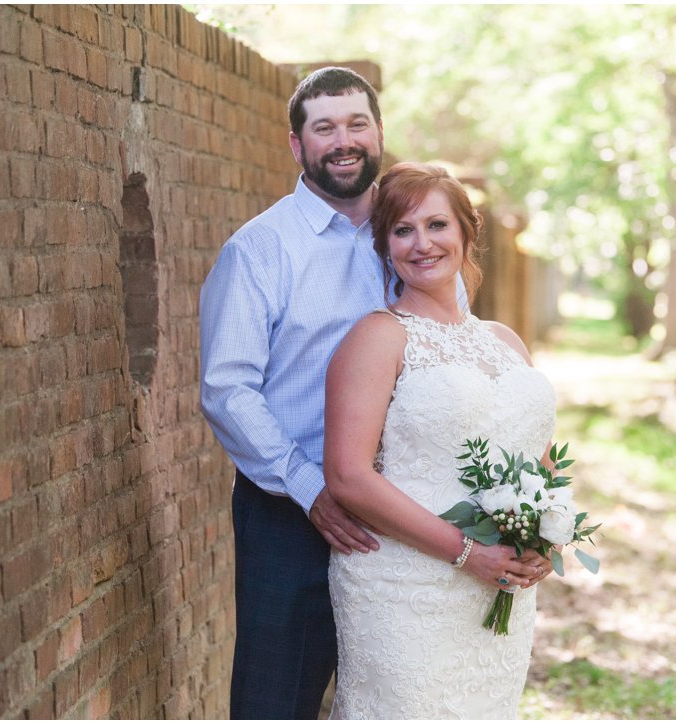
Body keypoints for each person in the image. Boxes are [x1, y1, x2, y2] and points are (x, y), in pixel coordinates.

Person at [323, 162, 556, 719]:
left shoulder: (505, 341)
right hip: (407, 591)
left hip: (501, 588)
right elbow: (348, 476)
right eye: (403, 231)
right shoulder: (378, 337)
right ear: (385, 247)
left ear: (466, 232)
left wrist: (545, 537)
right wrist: (467, 552)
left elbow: (539, 456)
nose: (421, 244)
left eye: (436, 225)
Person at [200, 66, 392, 719]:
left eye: (357, 123)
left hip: (403, 510)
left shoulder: (412, 238)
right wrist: (311, 489)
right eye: (325, 127)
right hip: (291, 511)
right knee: (275, 702)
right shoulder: (259, 250)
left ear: (379, 132)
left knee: (392, 695)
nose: (344, 140)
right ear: (296, 144)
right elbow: (227, 389)